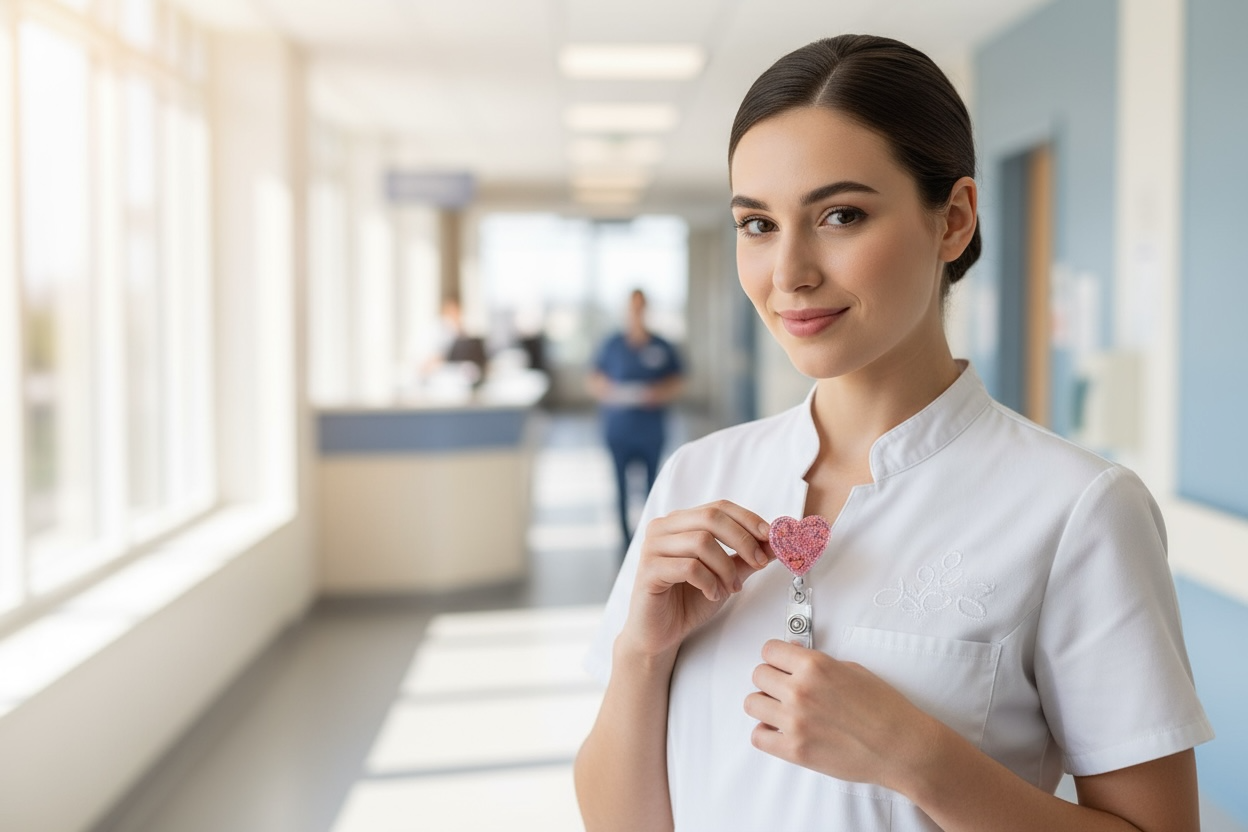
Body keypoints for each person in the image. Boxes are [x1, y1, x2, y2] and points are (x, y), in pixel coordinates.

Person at [574, 35, 1212, 832]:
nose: (788, 273)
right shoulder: (699, 475)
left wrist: (914, 757)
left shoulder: (1077, 508)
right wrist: (643, 655)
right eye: (758, 224)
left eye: (840, 215)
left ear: (953, 220)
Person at [588, 289, 684, 548]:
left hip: (650, 429)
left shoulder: (661, 346)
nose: (637, 312)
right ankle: (624, 543)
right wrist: (610, 392)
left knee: (652, 489)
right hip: (618, 429)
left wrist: (657, 393)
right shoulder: (612, 345)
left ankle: (648, 540)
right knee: (620, 488)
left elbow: (678, 381)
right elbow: (594, 380)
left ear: (647, 309)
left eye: (641, 307)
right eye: (633, 307)